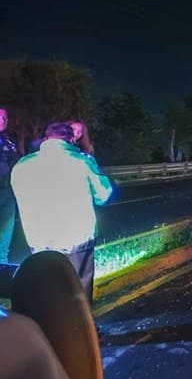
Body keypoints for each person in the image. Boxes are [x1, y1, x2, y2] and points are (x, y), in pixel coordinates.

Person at [10, 122, 113, 302]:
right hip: (76, 240)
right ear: (71, 138)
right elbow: (104, 195)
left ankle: (47, 327)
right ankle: (80, 329)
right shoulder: (83, 161)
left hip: (38, 240)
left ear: (46, 138)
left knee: (48, 290)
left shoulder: (22, 164)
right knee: (78, 293)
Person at [0, 106, 20, 264]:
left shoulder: (9, 140)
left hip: (8, 192)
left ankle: (2, 273)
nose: (2, 121)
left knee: (5, 237)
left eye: (4, 118)